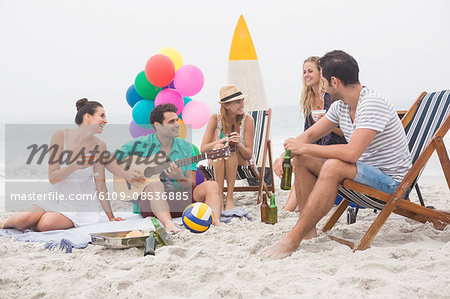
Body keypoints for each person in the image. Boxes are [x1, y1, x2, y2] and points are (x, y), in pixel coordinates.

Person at [262, 50, 412, 259]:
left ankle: (292, 239)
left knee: (332, 165)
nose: (322, 87)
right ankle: (307, 233)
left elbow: (351, 153)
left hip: (392, 185)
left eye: (323, 81)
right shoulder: (341, 106)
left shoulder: (372, 103)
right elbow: (311, 134)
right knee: (303, 159)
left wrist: (304, 148)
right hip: (363, 175)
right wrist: (284, 155)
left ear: (334, 81)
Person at [0, 99, 142, 231]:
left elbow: (101, 185)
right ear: (88, 117)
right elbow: (53, 178)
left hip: (80, 207)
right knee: (23, 219)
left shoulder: (99, 145)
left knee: (46, 224)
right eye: (102, 116)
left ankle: (33, 223)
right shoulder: (60, 136)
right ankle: (5, 224)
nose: (105, 121)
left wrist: (110, 216)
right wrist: (75, 166)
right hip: (54, 199)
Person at [116, 103, 224, 234]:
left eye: (176, 120)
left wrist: (178, 177)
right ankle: (169, 224)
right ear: (158, 125)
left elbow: (191, 184)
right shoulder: (142, 144)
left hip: (180, 199)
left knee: (211, 185)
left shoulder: (186, 147)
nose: (177, 124)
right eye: (171, 122)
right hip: (152, 203)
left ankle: (216, 221)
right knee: (155, 184)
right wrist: (127, 173)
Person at [283, 56, 347, 211]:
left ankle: (288, 210)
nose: (306, 75)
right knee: (299, 157)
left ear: (321, 73)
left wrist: (327, 123)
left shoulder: (331, 98)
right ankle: (288, 209)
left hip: (334, 149)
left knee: (302, 159)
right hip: (317, 149)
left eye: (310, 71)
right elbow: (308, 133)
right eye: (304, 72)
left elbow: (346, 132)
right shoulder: (308, 99)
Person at [201, 84, 254, 210]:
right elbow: (203, 148)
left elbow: (248, 155)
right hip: (218, 160)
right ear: (226, 105)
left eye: (242, 101)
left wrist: (238, 144)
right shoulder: (215, 119)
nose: (242, 104)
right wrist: (223, 140)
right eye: (237, 102)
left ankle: (229, 198)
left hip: (241, 161)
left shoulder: (248, 120)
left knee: (231, 150)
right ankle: (219, 196)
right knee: (220, 147)